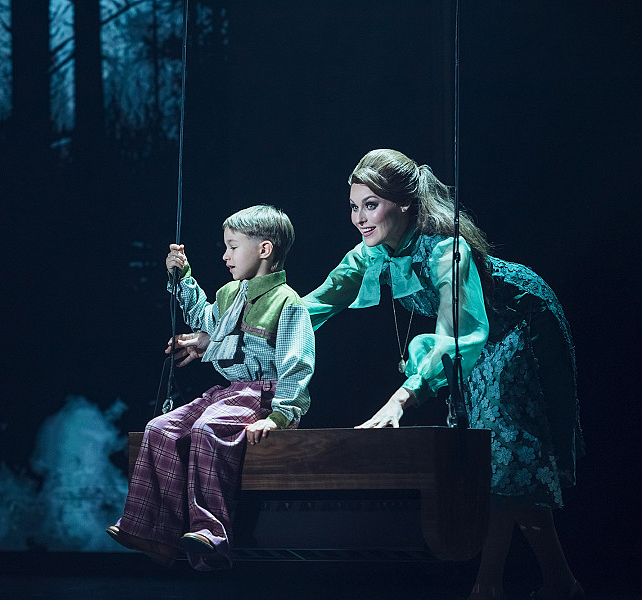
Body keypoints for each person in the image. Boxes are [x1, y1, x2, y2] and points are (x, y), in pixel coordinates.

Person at [302, 149, 584, 600]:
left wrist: (401, 399)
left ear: (404, 204)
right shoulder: (370, 254)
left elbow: (460, 335)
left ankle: (492, 586)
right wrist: (225, 336)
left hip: (517, 324)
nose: (359, 218)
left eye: (371, 205)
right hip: (469, 338)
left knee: (504, 449)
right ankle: (554, 583)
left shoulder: (447, 250)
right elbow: (311, 307)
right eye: (353, 207)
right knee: (488, 456)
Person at [107, 204, 315, 571]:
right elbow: (205, 322)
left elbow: (296, 365)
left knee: (206, 430)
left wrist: (280, 416)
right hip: (230, 393)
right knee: (160, 429)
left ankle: (211, 531)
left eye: (233, 246)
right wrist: (182, 277)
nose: (225, 255)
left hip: (262, 395)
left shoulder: (288, 302)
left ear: (264, 249)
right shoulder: (230, 294)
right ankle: (153, 532)